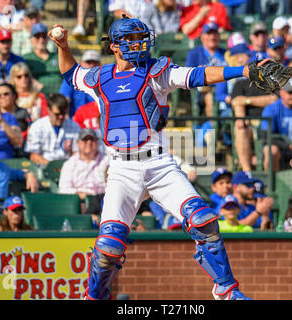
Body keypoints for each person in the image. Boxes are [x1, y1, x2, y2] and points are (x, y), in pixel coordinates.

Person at [50, 16, 262, 300]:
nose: (139, 43)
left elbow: (197, 75)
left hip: (159, 163)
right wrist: (63, 45)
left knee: (202, 219)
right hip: (121, 168)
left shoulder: (157, 71)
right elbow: (70, 74)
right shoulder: (99, 77)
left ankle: (227, 290)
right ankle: (95, 296)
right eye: (130, 39)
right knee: (108, 247)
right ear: (114, 45)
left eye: (140, 37)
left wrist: (243, 70)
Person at [58, 128, 109, 220]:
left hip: (104, 201)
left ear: (97, 142)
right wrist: (83, 195)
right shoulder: (70, 164)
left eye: (92, 139)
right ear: (78, 143)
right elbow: (64, 189)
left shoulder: (108, 160)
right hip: (81, 203)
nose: (89, 142)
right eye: (85, 139)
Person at [25, 93, 80, 165]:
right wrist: (52, 166)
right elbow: (34, 155)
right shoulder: (37, 126)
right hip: (45, 167)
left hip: (68, 166)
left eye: (63, 114)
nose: (61, 117)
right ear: (48, 110)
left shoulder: (74, 126)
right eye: (57, 114)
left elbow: (76, 152)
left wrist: (67, 166)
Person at [23, 23, 63, 95]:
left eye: (44, 36)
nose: (41, 40)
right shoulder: (26, 59)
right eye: (37, 36)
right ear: (31, 39)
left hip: (60, 96)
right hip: (38, 95)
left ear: (47, 39)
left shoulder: (57, 57)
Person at [59, 50, 100, 118]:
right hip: (75, 120)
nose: (92, 66)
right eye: (88, 62)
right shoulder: (72, 79)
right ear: (81, 63)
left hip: (96, 121)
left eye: (95, 63)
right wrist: (67, 120)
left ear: (99, 64)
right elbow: (64, 101)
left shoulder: (103, 80)